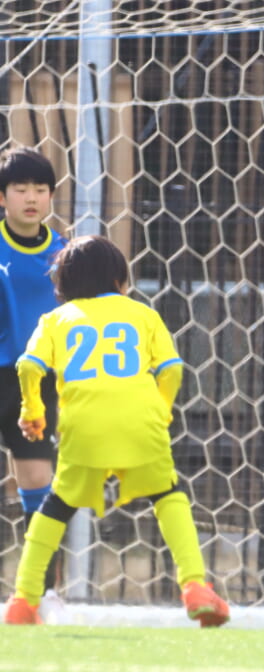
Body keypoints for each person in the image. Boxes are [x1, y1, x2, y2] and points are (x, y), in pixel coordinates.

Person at [3, 235, 230, 627]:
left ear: (63, 286)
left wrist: (33, 409)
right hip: (141, 422)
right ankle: (195, 586)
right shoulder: (142, 313)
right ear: (119, 281)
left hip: (83, 427)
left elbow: (28, 365)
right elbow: (172, 368)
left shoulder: (56, 319)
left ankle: (24, 600)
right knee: (168, 495)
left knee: (57, 505)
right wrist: (162, 410)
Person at [0, 146, 68, 622]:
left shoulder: (64, 254)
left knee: (39, 482)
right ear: (2, 197)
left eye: (40, 190)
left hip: (35, 383)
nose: (30, 198)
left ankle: (41, 594)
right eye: (20, 189)